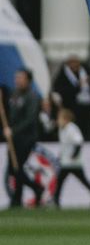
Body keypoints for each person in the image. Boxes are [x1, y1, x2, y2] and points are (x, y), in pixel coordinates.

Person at [6, 70, 42, 209]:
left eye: (20, 78)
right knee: (13, 169)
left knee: (16, 167)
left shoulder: (32, 96)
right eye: (16, 77)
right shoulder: (14, 94)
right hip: (14, 138)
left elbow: (30, 119)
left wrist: (13, 130)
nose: (17, 80)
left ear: (28, 80)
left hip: (26, 138)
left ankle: (34, 189)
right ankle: (18, 198)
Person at [52, 106, 90, 207]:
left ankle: (56, 200)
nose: (58, 121)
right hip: (67, 162)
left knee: (62, 181)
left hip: (73, 162)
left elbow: (78, 142)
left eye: (60, 118)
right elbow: (65, 146)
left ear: (66, 119)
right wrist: (60, 156)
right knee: (68, 180)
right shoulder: (62, 130)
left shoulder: (71, 128)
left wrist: (74, 155)